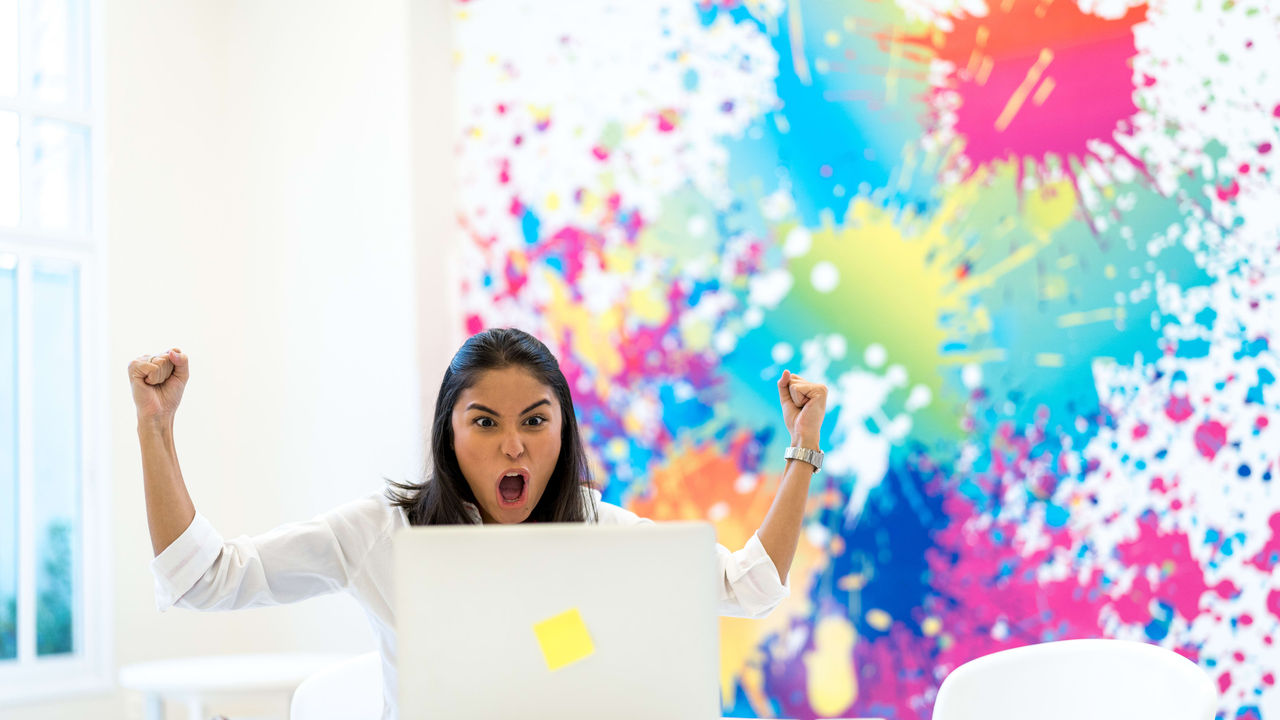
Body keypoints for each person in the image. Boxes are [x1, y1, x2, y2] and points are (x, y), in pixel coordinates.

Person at [129, 327, 828, 719]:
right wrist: (155, 428)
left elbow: (751, 586)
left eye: (535, 421)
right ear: (450, 433)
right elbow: (205, 579)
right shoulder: (382, 534)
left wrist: (801, 447)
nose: (513, 446)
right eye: (484, 423)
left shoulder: (604, 534)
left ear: (564, 431)